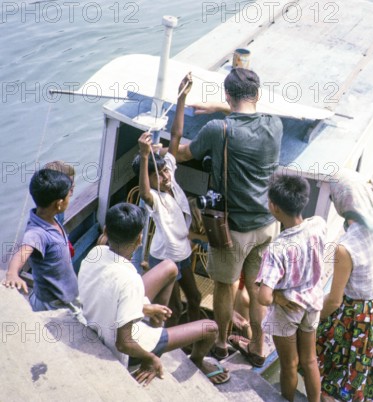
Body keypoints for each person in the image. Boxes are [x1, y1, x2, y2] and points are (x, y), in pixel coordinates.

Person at [177, 68, 282, 364]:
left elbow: (184, 154)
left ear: (227, 95)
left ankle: (222, 343)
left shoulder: (217, 130)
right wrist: (223, 107)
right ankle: (259, 347)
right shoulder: (275, 125)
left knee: (225, 287)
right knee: (256, 289)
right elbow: (250, 112)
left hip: (232, 230)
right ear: (257, 96)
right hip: (267, 225)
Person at [78, 203, 229, 386]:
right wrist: (150, 359)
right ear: (140, 239)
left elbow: (107, 292)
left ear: (106, 231)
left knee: (170, 267)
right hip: (130, 344)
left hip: (96, 320)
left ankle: (158, 325)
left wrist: (145, 308)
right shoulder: (130, 280)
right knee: (211, 327)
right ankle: (195, 360)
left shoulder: (95, 253)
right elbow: (123, 343)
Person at [316, 170, 373, 402]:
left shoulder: (345, 247)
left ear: (341, 203)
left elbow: (335, 300)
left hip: (356, 317)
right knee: (365, 371)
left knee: (330, 375)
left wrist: (313, 320)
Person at [131, 73, 203, 327]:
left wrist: (181, 97)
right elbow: (143, 192)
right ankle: (171, 345)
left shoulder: (168, 173)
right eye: (157, 174)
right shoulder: (154, 198)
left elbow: (175, 136)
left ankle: (193, 341)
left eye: (164, 170)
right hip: (165, 258)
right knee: (170, 308)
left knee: (195, 297)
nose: (165, 176)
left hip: (182, 254)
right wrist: (143, 155)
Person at [252, 175, 325, 402]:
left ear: (274, 207)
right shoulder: (318, 225)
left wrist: (280, 299)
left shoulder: (277, 248)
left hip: (288, 311)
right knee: (310, 360)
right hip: (312, 303)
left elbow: (264, 297)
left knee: (289, 364)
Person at [2, 168, 80, 315]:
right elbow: (23, 252)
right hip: (55, 304)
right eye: (68, 194)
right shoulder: (37, 233)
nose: (71, 195)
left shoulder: (49, 218)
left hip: (62, 294)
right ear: (59, 203)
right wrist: (12, 273)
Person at [43, 160, 75, 225]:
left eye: (73, 180)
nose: (74, 185)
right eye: (70, 182)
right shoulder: (49, 215)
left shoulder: (59, 207)